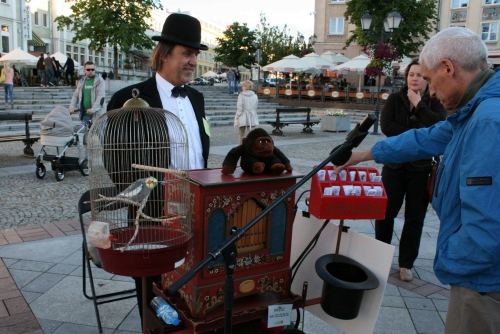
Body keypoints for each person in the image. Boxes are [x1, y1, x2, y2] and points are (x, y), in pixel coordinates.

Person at [334, 27, 500, 333]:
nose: (431, 92)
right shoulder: (476, 109)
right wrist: (363, 154)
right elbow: (429, 137)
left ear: (448, 69)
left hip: (483, 283)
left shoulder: (488, 121)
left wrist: (451, 262)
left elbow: (488, 227)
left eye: (431, 79)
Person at [106, 13, 210, 323]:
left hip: (195, 211)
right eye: (186, 53)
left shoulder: (198, 98)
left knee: (190, 288)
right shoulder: (129, 99)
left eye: (195, 54)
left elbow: (200, 152)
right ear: (164, 53)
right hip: (151, 213)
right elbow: (115, 161)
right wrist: (149, 195)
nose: (193, 61)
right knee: (152, 295)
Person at [376, 57, 447, 282]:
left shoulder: (433, 102)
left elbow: (437, 126)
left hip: (420, 169)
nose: (415, 79)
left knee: (415, 218)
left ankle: (406, 263)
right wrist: (417, 135)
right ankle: (380, 257)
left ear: (427, 80)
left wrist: (419, 105)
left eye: (419, 75)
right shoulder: (395, 99)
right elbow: (386, 126)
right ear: (406, 78)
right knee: (385, 214)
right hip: (394, 167)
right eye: (411, 75)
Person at [234, 80, 259, 144]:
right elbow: (255, 106)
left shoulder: (241, 95)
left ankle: (241, 148)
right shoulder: (255, 95)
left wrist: (238, 116)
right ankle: (251, 148)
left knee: (241, 135)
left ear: (246, 87)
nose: (242, 87)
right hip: (252, 115)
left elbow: (239, 106)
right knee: (251, 135)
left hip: (243, 115)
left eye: (243, 86)